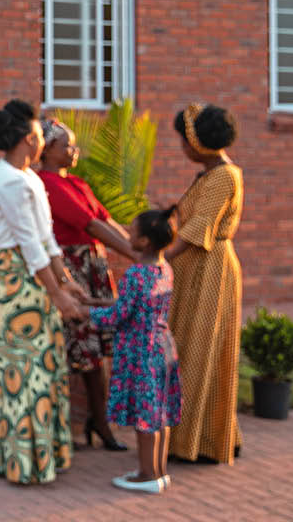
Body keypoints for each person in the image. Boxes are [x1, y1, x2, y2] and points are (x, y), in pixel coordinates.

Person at [0, 99, 86, 485]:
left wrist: (66, 280)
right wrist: (58, 294)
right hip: (9, 279)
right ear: (29, 139)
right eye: (40, 134)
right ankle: (22, 462)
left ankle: (33, 455)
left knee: (44, 365)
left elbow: (46, 240)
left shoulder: (29, 178)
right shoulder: (8, 180)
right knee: (22, 370)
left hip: (32, 274)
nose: (43, 139)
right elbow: (28, 244)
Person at [36, 117, 140, 451]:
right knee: (78, 349)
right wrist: (137, 256)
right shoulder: (46, 183)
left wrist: (137, 250)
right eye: (67, 144)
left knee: (96, 351)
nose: (74, 150)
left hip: (93, 268)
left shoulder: (77, 183)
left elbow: (105, 219)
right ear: (49, 149)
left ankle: (100, 420)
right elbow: (90, 224)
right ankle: (77, 425)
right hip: (72, 269)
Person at [163, 103, 243, 465]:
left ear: (199, 142)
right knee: (190, 348)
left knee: (203, 350)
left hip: (212, 269)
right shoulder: (209, 174)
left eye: (184, 139)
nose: (182, 147)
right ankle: (207, 432)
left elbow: (199, 227)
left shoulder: (225, 176)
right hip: (195, 269)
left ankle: (201, 441)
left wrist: (159, 259)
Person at [88, 208, 182, 494]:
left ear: (144, 242)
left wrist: (86, 314)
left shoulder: (135, 274)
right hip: (162, 347)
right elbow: (134, 306)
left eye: (132, 232)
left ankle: (145, 475)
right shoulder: (164, 269)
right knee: (159, 414)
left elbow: (120, 314)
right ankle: (159, 472)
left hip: (140, 352)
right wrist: (96, 302)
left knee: (145, 418)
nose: (128, 235)